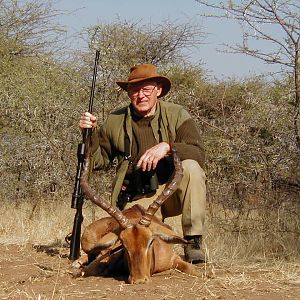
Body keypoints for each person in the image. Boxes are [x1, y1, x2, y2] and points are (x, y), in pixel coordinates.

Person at [79, 63, 207, 263]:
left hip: (170, 193)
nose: (141, 95)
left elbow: (198, 153)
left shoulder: (177, 114)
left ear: (159, 90)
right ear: (128, 93)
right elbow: (97, 161)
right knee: (127, 247)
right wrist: (90, 134)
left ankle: (193, 241)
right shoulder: (115, 120)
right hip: (138, 199)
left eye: (146, 89)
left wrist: (167, 147)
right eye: (134, 90)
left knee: (191, 167)